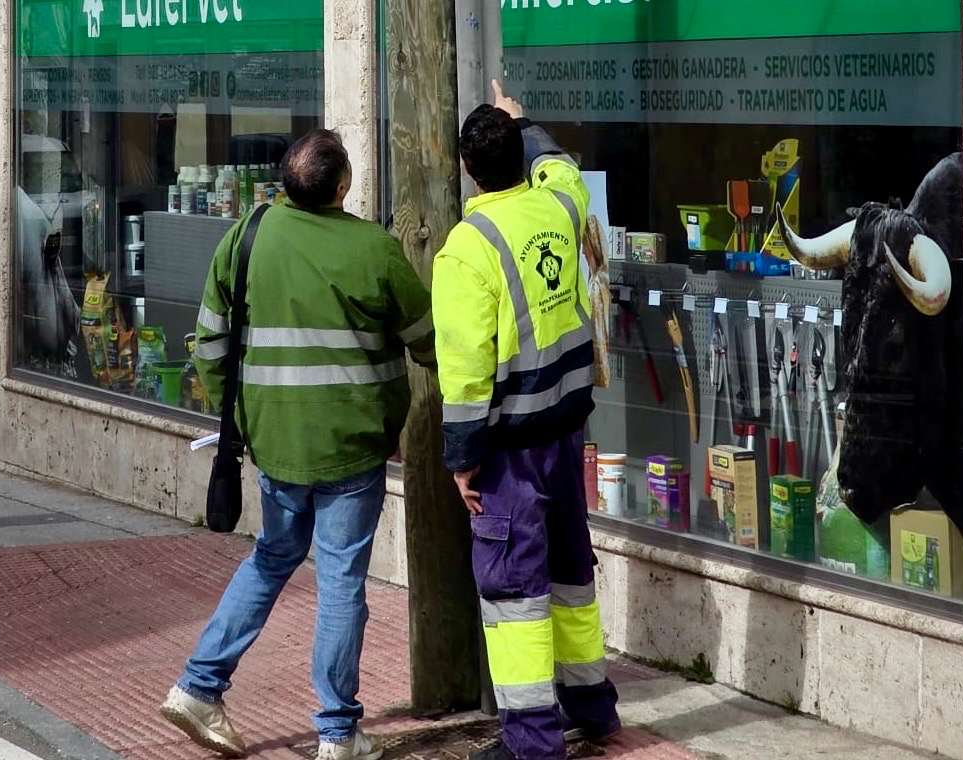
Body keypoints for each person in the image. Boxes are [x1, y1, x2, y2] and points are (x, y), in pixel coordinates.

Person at [160, 129, 435, 760]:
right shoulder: (375, 249)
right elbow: (426, 338)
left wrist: (245, 420)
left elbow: (207, 343)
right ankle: (337, 734)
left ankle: (199, 686)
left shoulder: (249, 235)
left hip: (277, 446)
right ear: (343, 188)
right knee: (340, 580)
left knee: (271, 558)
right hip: (353, 447)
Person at [432, 82, 620, 760]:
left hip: (509, 450)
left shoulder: (465, 247)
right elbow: (562, 167)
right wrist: (524, 121)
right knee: (571, 574)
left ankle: (532, 742)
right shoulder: (559, 205)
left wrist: (460, 458)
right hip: (564, 436)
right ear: (521, 156)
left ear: (466, 169)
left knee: (514, 593)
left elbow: (463, 368)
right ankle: (591, 708)